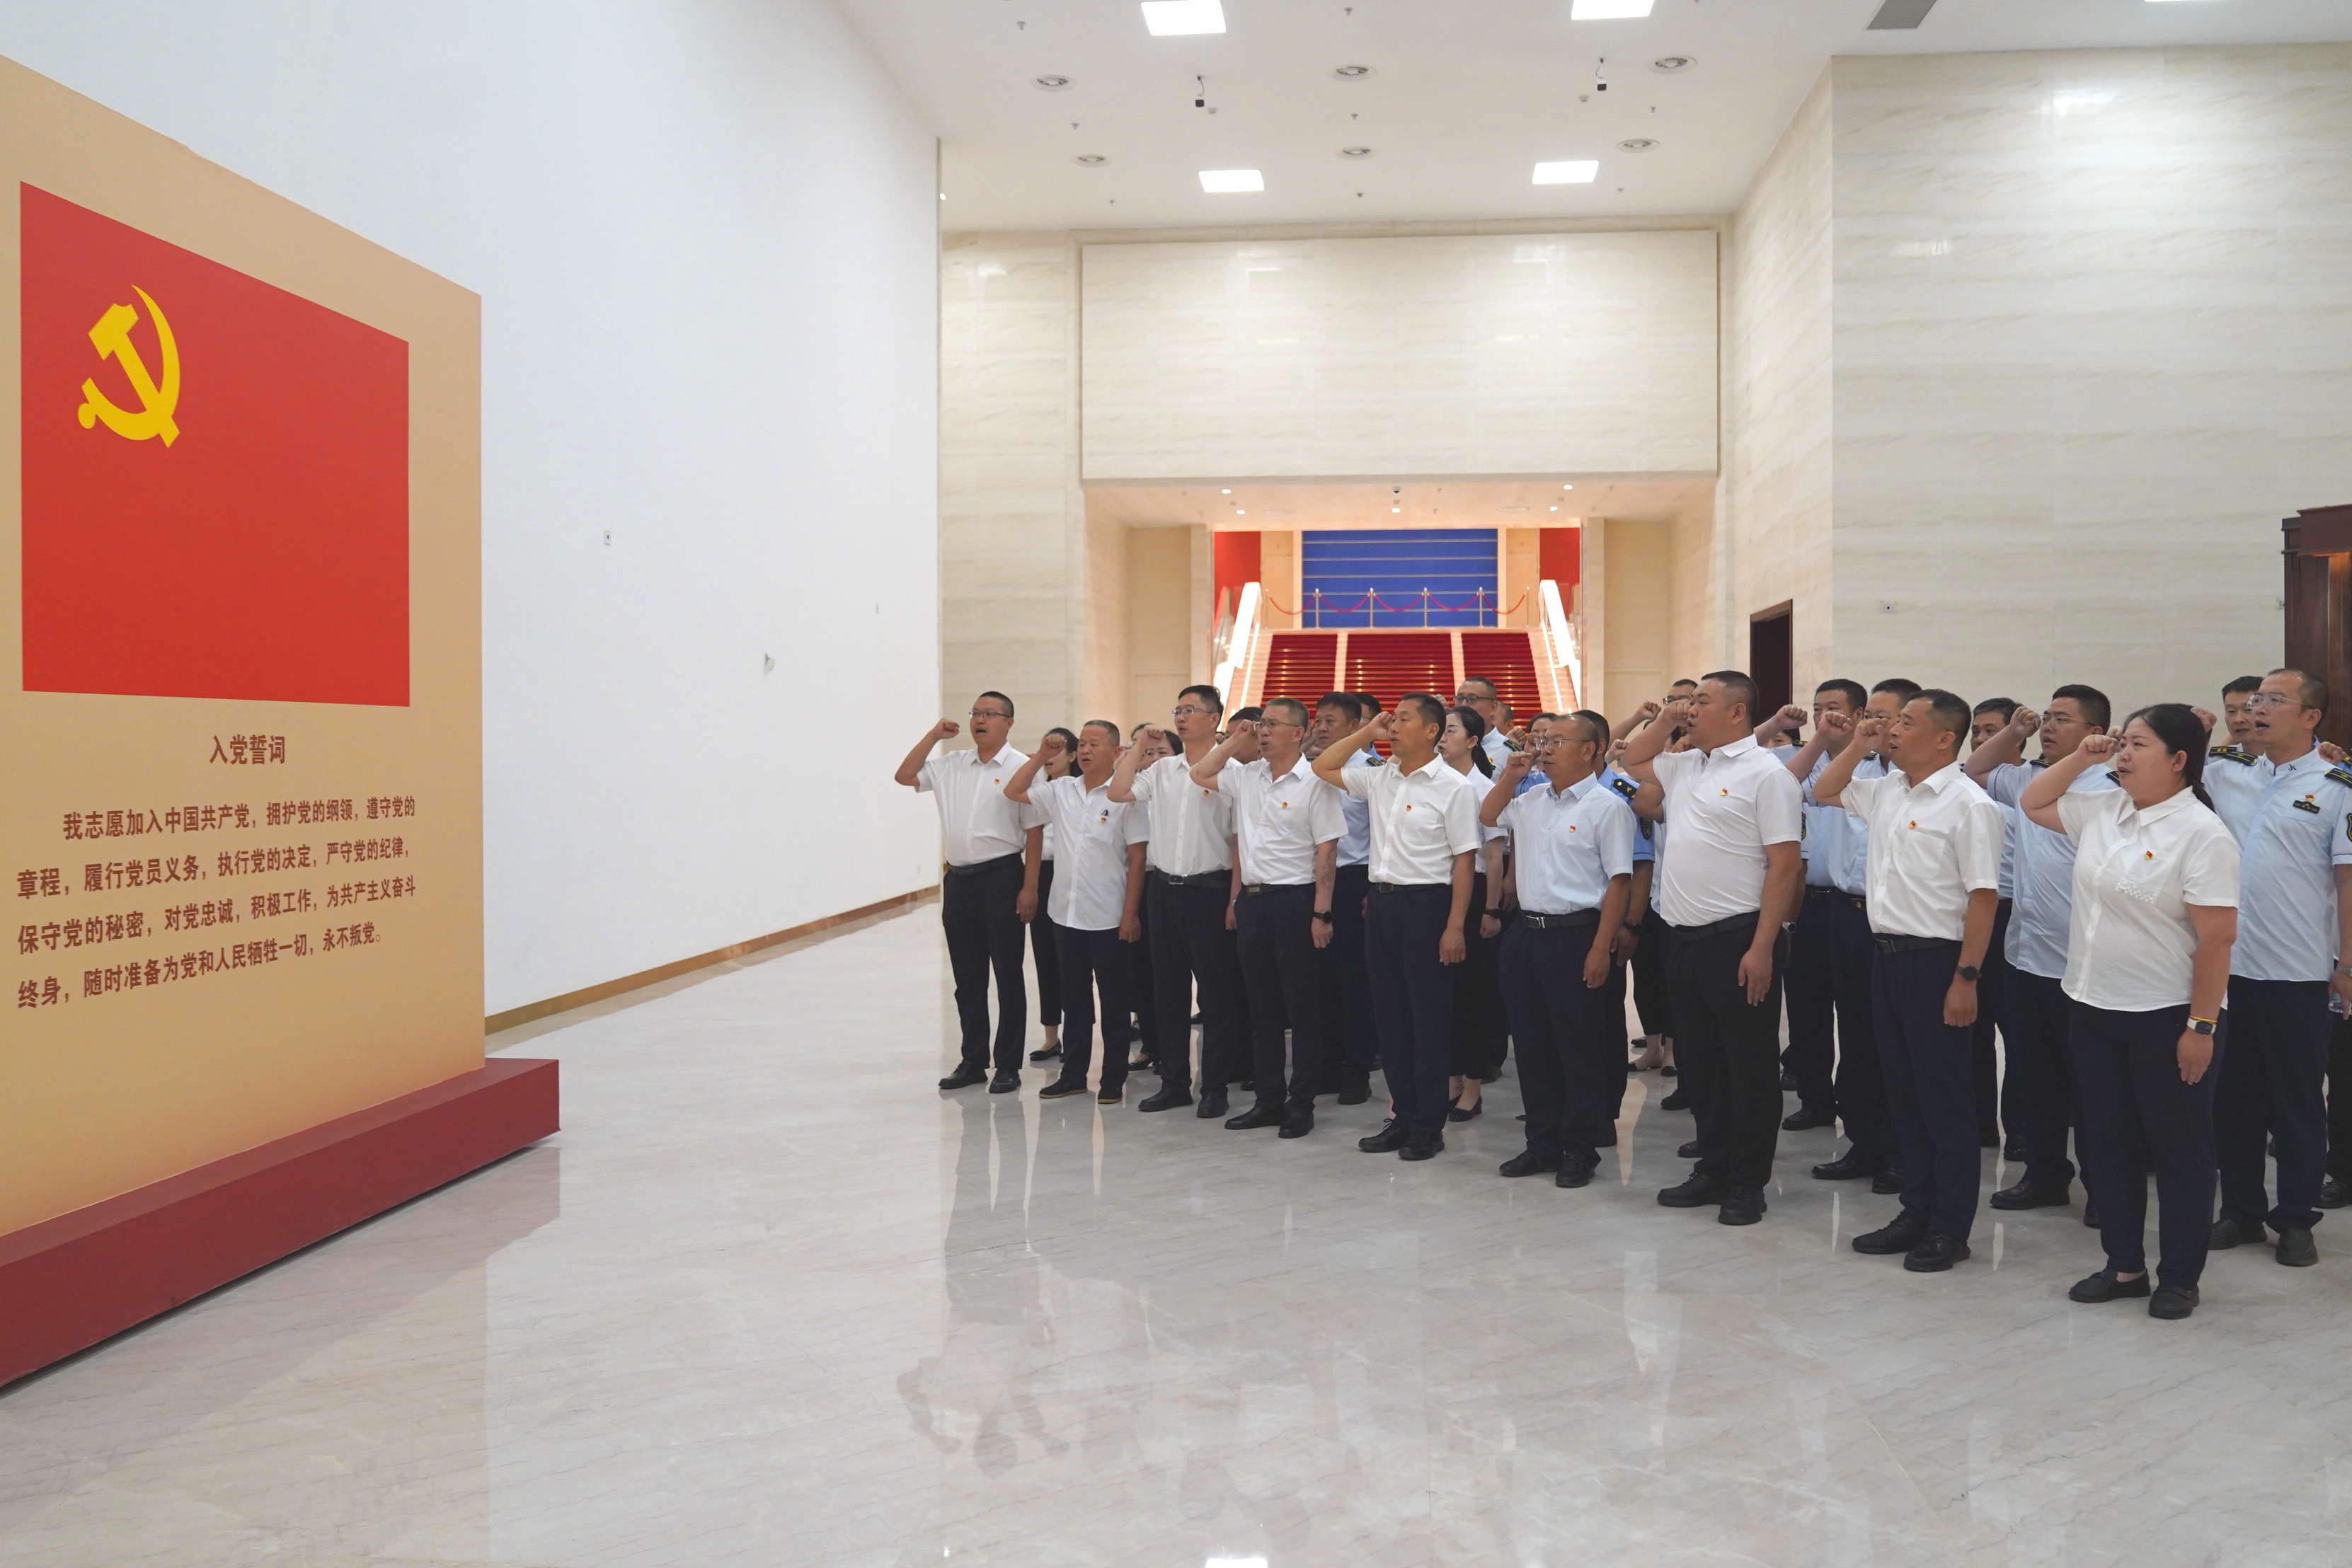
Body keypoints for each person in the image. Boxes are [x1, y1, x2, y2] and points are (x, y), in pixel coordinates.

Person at [2020, 704, 2239, 1320]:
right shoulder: (2103, 809)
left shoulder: (2201, 833)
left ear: (2178, 760)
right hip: (2092, 1005)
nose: (2122, 753)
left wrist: (2200, 1027)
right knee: (2108, 1142)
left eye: (2137, 745)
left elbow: (2216, 939)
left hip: (2165, 1016)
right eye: (2122, 742)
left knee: (2177, 1151)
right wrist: (2080, 755)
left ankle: (2180, 1277)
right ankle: (2123, 1266)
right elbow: (2033, 802)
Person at [1810, 691, 2006, 1272]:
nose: (1891, 729)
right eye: (1890, 720)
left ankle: (1949, 1227)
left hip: (1938, 962)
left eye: (1905, 722)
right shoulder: (1888, 789)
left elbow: (1982, 898)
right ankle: (1914, 1210)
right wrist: (1857, 745)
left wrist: (1966, 978)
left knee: (1943, 1101)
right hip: (1887, 958)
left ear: (1944, 738)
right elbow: (1823, 791)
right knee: (1904, 1094)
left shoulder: (1968, 804)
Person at [1620, 671, 1803, 1225]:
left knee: (1747, 1067)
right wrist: (1666, 718)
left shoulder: (1766, 775)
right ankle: (1713, 1166)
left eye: (1702, 701)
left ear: (1737, 712)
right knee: (1700, 1066)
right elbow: (1631, 759)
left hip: (1739, 939)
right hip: (1682, 938)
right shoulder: (1685, 766)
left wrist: (1762, 947)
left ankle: (1747, 1183)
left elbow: (1783, 865)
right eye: (1688, 701)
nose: (1691, 709)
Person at [2203, 669, 2352, 1267]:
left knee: (2295, 1103)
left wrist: (2345, 963)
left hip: (2296, 970)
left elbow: (2346, 880)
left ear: (2310, 717)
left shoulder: (2338, 783)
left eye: (2273, 701)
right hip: (2227, 967)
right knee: (2231, 1098)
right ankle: (2240, 1210)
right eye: (2253, 700)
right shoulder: (2227, 771)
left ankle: (2294, 1219)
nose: (2255, 709)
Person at [1966, 686, 2118, 1216]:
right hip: (2026, 955)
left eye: (2062, 719)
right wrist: (2015, 730)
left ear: (2094, 732)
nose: (2048, 727)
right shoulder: (2027, 778)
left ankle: (2105, 1190)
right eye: (2046, 717)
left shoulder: (2110, 789)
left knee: (2092, 1087)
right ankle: (2045, 1174)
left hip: (2083, 965)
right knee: (2035, 1077)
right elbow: (1974, 769)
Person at [1312, 693, 1481, 1161]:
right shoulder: (1379, 776)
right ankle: (1402, 1116)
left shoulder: (1453, 787)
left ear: (1431, 731)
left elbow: (1464, 862)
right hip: (1382, 905)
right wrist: (1365, 734)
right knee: (1390, 1019)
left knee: (1427, 1020)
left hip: (1428, 906)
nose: (1393, 725)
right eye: (1392, 718)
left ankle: (1427, 1124)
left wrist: (1455, 926)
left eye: (1404, 719)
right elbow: (1322, 766)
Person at [1482, 710, 1635, 1185]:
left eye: (1557, 741)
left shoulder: (1607, 806)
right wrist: (1511, 775)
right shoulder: (1529, 800)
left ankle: (1579, 1148)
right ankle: (1541, 1143)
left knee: (1578, 1047)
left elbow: (1619, 882)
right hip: (1527, 933)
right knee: (1532, 1045)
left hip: (1576, 934)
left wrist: (1600, 948)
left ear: (1589, 750)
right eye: (1543, 740)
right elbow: (1486, 815)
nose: (1545, 748)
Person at [1191, 696, 1343, 1136]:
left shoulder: (1315, 781)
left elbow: (1327, 853)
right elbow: (1199, 773)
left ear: (1298, 733)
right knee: (1262, 1009)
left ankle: (1301, 1104)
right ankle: (1269, 1100)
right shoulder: (1246, 775)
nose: (1264, 730)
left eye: (1273, 724)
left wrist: (1321, 912)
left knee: (1302, 1008)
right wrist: (1234, 738)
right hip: (1254, 901)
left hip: (1296, 901)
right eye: (1261, 723)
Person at [1110, 686, 1251, 1118]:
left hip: (1211, 890)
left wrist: (1234, 900)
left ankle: (1215, 1086)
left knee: (1216, 995)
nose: (1181, 717)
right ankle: (1174, 1083)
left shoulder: (1232, 773)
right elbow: (1117, 791)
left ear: (1214, 718)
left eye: (1191, 710)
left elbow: (1239, 843)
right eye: (1178, 710)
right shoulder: (1162, 770)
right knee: (1167, 991)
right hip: (1164, 891)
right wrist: (1139, 745)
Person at [899, 693, 1045, 1093]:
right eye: (976, 713)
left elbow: (1034, 832)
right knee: (967, 977)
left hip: (1002, 877)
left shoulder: (1022, 767)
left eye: (990, 714)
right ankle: (974, 1060)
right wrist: (933, 736)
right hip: (959, 881)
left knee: (1008, 975)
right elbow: (904, 776)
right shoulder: (952, 764)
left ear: (1008, 722)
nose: (980, 719)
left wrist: (1029, 887)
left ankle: (1008, 1065)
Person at [1004, 724, 1148, 1103]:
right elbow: (1013, 791)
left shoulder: (1126, 796)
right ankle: (1073, 1075)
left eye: (1093, 744)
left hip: (1108, 914)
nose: (1085, 750)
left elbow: (1137, 860)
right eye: (1081, 744)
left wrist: (1130, 914)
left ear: (1114, 752)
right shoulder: (1062, 790)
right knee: (1074, 999)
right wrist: (1040, 755)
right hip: (1064, 913)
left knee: (1114, 1001)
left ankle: (1113, 1077)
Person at [1754, 684, 1863, 1134]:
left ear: (1859, 715)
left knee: (1855, 1015)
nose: (1824, 717)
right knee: (1805, 1007)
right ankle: (1815, 1099)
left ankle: (1857, 1108)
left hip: (1854, 904)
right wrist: (1778, 724)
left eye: (1834, 709)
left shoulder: (1874, 766)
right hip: (1805, 902)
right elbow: (1742, 752)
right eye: (1818, 709)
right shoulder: (1794, 760)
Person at [1310, 692, 1379, 1104]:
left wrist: (1372, 886)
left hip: (1354, 880)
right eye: (1318, 720)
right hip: (1315, 881)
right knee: (1319, 982)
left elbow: (1382, 833)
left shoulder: (1371, 772)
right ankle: (1327, 1067)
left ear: (1356, 727)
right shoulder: (1308, 767)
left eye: (1330, 721)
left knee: (1352, 981)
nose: (1321, 727)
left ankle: (1357, 1071)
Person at [1438, 705, 1507, 1117]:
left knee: (1473, 994)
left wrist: (1492, 909)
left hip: (1477, 891)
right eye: (1441, 730)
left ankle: (1474, 1084)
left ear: (1473, 741)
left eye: (1451, 730)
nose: (1442, 738)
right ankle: (1451, 1077)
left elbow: (1494, 856)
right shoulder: (1435, 781)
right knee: (1445, 993)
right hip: (1440, 891)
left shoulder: (1484, 788)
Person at [1968, 698, 2022, 1151]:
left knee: (2019, 1031)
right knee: (1972, 1026)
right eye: (1977, 731)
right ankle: (1979, 1122)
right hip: (1971, 916)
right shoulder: (1962, 785)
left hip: (2015, 914)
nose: (1980, 739)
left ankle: (2021, 1131)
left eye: (1991, 731)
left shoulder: (2033, 784)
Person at [1027, 727, 1080, 1066]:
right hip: (1043, 874)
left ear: (1073, 755)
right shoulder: (1038, 791)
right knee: (1045, 958)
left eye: (1057, 748)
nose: (1049, 754)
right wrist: (1030, 885)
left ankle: (1077, 1035)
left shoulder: (1080, 791)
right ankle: (1051, 1037)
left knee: (1074, 962)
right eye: (1045, 747)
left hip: (1074, 874)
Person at [1455, 676, 1513, 770]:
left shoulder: (1508, 752)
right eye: (1460, 698)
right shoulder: (1443, 745)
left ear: (1493, 707)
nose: (1463, 705)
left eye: (1472, 699)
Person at [2220, 676, 2263, 751]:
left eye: (2248, 709)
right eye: (2231, 711)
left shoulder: (2284, 757)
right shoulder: (2220, 757)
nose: (2238, 720)